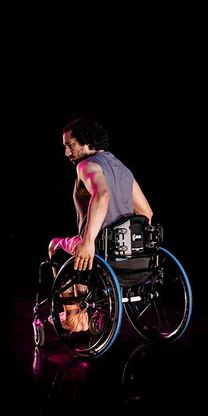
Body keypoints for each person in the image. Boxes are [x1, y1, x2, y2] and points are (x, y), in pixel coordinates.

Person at [47, 117, 153, 331]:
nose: (67, 152)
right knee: (78, 249)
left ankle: (74, 317)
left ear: (87, 142)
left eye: (70, 145)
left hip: (100, 246)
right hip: (126, 252)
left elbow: (102, 193)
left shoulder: (86, 165)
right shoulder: (123, 169)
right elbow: (146, 213)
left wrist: (88, 241)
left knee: (55, 246)